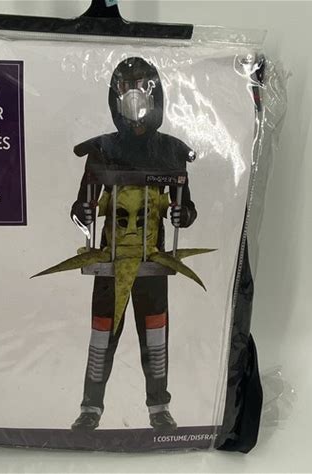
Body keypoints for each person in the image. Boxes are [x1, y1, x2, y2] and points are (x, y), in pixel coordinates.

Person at [70, 57, 197, 432]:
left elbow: (186, 207)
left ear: (156, 92)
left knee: (155, 339)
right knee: (101, 337)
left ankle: (159, 408)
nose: (134, 96)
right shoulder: (101, 149)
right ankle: (91, 408)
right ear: (115, 94)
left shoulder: (172, 151)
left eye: (142, 86)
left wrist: (181, 215)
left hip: (152, 262)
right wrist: (84, 212)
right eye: (126, 87)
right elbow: (82, 204)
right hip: (110, 262)